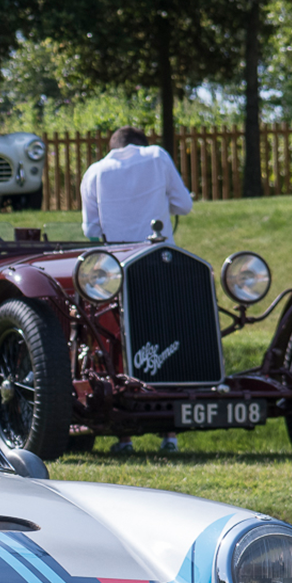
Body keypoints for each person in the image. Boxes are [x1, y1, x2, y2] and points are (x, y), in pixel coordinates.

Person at [81, 126, 193, 453]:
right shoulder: (157, 156)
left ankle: (124, 436)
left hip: (117, 266)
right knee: (167, 337)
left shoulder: (95, 172)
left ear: (113, 146)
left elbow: (90, 228)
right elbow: (183, 206)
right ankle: (169, 434)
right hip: (159, 262)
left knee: (119, 341)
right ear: (142, 144)